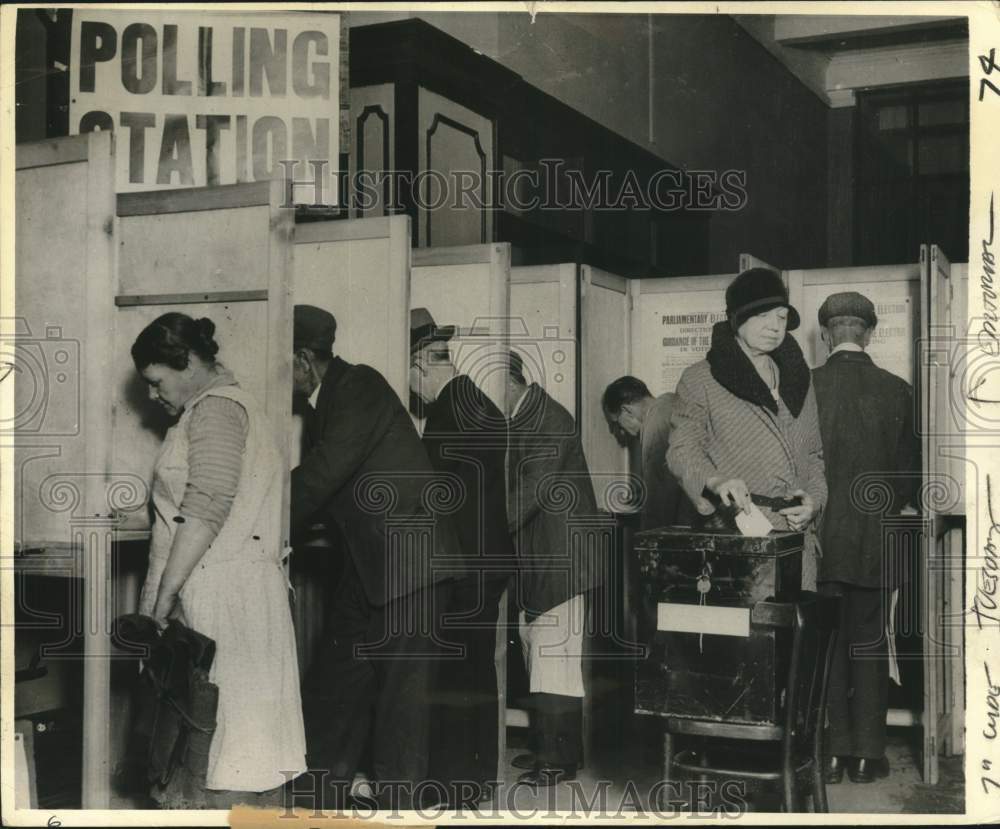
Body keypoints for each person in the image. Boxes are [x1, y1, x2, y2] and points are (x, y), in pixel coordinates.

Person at [289, 304, 463, 811]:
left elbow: (323, 474)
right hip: (370, 569)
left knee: (401, 707)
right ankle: (315, 803)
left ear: (303, 359)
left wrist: (255, 514)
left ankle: (400, 812)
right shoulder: (327, 404)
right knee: (335, 687)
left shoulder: (358, 386)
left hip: (412, 567)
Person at [131, 312, 306, 808]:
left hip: (224, 597)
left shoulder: (216, 410)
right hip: (236, 591)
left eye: (156, 381)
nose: (151, 395)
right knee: (236, 744)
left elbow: (206, 508)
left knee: (226, 746)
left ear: (186, 363)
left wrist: (162, 603)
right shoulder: (215, 409)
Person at [408, 308, 516, 806]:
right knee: (475, 671)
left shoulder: (450, 414)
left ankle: (450, 785)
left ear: (419, 365)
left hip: (465, 567)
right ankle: (476, 781)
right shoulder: (475, 401)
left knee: (453, 673)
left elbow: (440, 500)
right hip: (489, 561)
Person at [812, 291, 919, 785]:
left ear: (828, 334)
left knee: (827, 646)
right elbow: (908, 477)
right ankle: (865, 756)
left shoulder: (806, 389)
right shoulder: (896, 390)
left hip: (821, 543)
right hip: (877, 542)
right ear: (869, 333)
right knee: (872, 645)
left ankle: (831, 753)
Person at [666, 268, 827, 589]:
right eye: (763, 315)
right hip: (736, 538)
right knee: (745, 636)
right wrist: (715, 480)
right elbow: (682, 449)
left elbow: (815, 456)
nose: (775, 326)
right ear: (737, 319)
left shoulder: (799, 380)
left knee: (798, 634)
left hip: (797, 541)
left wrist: (814, 503)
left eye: (782, 317)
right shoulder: (700, 379)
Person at [504, 350, 606, 787]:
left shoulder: (548, 418)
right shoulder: (528, 415)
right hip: (544, 558)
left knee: (554, 659)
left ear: (505, 383)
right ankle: (550, 748)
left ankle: (559, 760)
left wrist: (479, 532)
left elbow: (526, 495)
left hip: (560, 560)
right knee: (540, 653)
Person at [601, 375, 692, 530]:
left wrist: (648, 539)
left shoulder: (654, 424)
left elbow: (658, 502)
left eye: (618, 424)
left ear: (627, 411)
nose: (622, 432)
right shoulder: (672, 402)